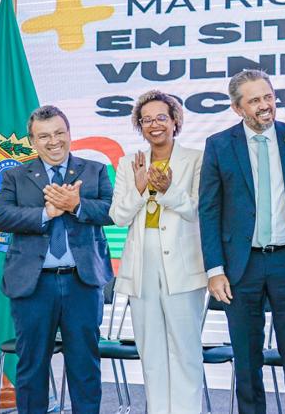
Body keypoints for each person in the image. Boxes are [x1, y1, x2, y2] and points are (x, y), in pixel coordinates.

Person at [199, 70, 285, 414]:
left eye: (268, 97)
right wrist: (215, 269)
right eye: (254, 100)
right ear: (238, 108)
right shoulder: (219, 145)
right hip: (240, 266)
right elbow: (209, 210)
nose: (265, 105)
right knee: (247, 357)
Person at [0, 105, 114, 413]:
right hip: (33, 286)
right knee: (32, 366)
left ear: (69, 133)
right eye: (44, 136)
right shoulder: (16, 176)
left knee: (85, 366)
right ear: (33, 141)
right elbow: (1, 216)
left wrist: (76, 205)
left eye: (59, 133)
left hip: (82, 282)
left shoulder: (95, 170)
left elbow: (112, 211)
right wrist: (46, 213)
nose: (54, 141)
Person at [110, 90, 207, 413]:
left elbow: (197, 210)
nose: (154, 125)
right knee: (150, 352)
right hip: (141, 265)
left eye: (161, 118)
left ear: (175, 121)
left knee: (185, 350)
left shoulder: (197, 159)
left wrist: (168, 190)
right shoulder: (129, 163)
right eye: (146, 119)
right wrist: (140, 188)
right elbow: (118, 216)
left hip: (184, 265)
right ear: (139, 125)